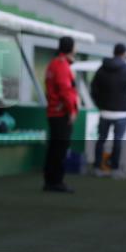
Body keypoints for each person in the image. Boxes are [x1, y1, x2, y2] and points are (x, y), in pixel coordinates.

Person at [91, 43, 126, 175]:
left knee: (101, 139)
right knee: (117, 140)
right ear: (124, 54)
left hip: (104, 110)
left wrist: (99, 104)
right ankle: (115, 169)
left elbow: (93, 88)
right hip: (121, 112)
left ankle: (97, 167)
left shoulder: (102, 68)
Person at [43, 36, 79, 193]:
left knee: (55, 148)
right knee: (60, 148)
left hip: (54, 111)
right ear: (71, 48)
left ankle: (50, 181)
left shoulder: (53, 64)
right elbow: (66, 91)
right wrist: (71, 110)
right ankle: (56, 181)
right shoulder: (62, 66)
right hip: (61, 113)